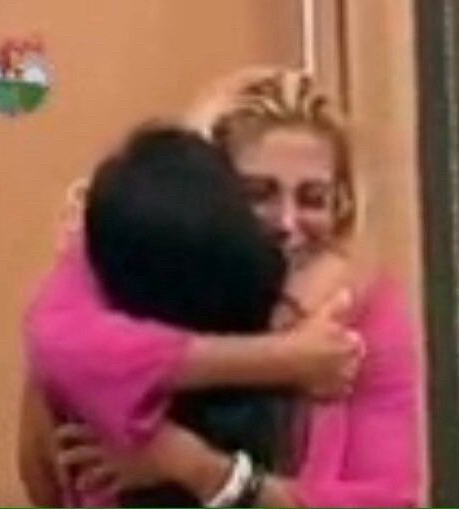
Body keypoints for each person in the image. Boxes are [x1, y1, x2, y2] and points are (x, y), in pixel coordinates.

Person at [21, 68, 420, 507]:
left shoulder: (364, 309)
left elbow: (387, 500)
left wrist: (197, 468)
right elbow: (61, 350)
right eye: (258, 193)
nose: (287, 223)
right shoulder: (123, 257)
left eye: (313, 199)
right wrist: (283, 359)